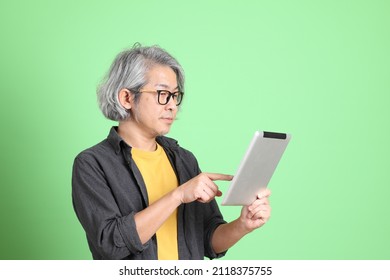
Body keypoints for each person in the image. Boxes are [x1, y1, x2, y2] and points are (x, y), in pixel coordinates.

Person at [72, 44, 271, 260]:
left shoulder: (184, 159)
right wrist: (177, 195)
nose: (172, 105)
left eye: (175, 96)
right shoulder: (92, 164)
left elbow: (207, 239)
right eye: (162, 94)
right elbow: (110, 243)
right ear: (127, 98)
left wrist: (243, 225)